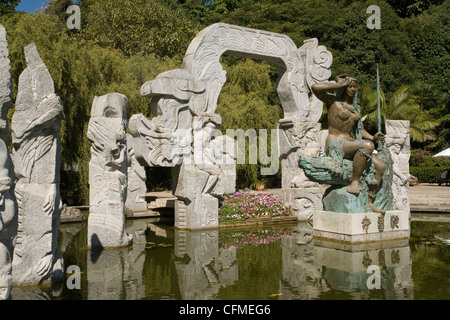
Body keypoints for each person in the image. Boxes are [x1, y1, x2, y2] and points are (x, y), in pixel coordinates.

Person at [312, 75, 386, 213]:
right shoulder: (333, 102)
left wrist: (373, 137)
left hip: (351, 143)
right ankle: (355, 181)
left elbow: (360, 130)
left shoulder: (355, 108)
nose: (352, 89)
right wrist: (338, 85)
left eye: (354, 87)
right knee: (367, 146)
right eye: (350, 86)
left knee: (380, 167)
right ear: (344, 87)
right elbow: (315, 88)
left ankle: (369, 201)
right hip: (336, 143)